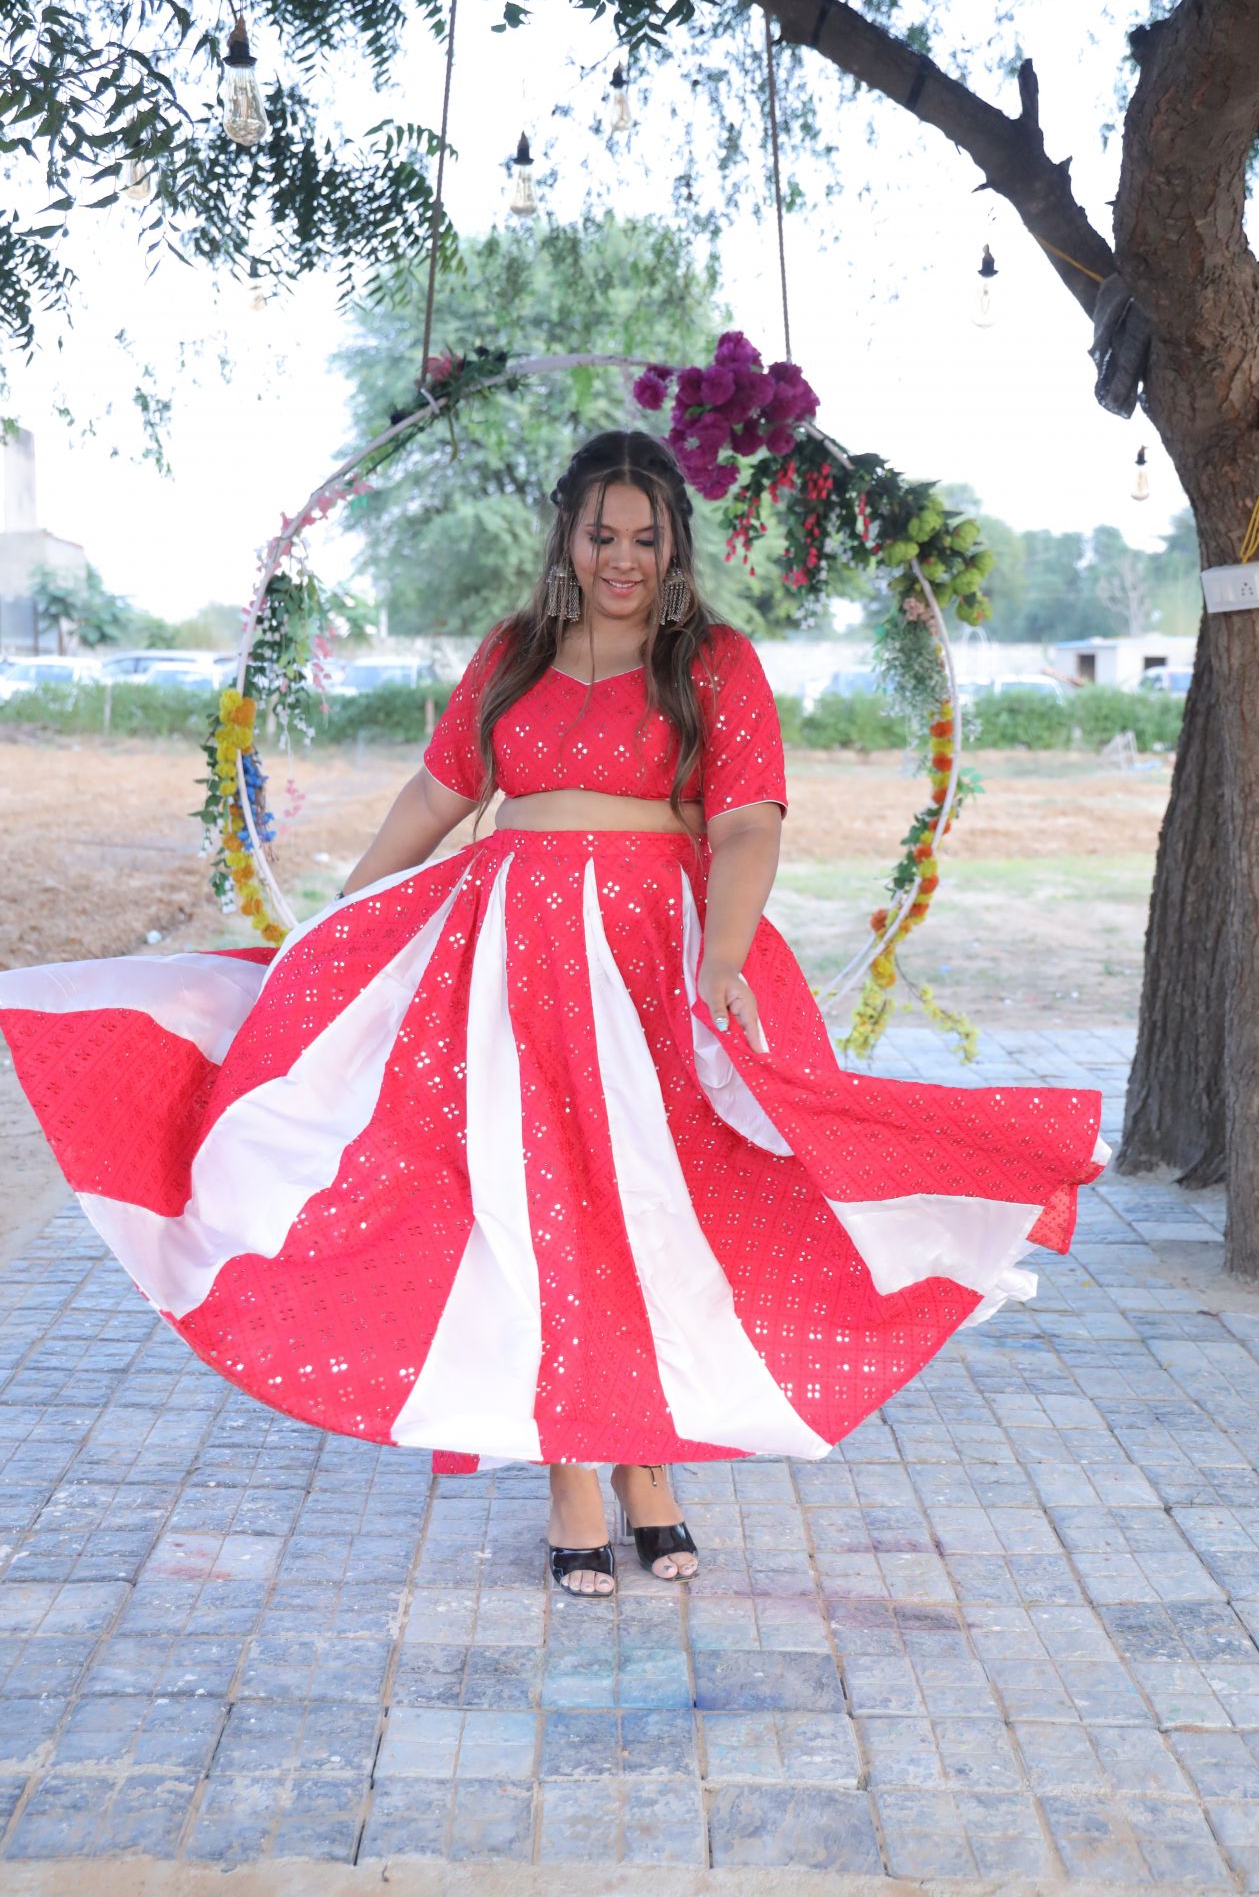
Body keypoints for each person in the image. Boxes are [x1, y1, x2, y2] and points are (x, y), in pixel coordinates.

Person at [0, 429, 1109, 1601]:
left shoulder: (713, 659)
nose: (621, 558)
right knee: (542, 1208)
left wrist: (721, 950)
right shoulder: (514, 653)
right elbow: (439, 791)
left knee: (656, 1215)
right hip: (505, 964)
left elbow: (745, 822)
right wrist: (347, 914)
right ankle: (575, 1475)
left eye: (644, 536)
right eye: (600, 534)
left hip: (650, 966)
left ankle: (649, 1465)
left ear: (674, 540)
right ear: (566, 535)